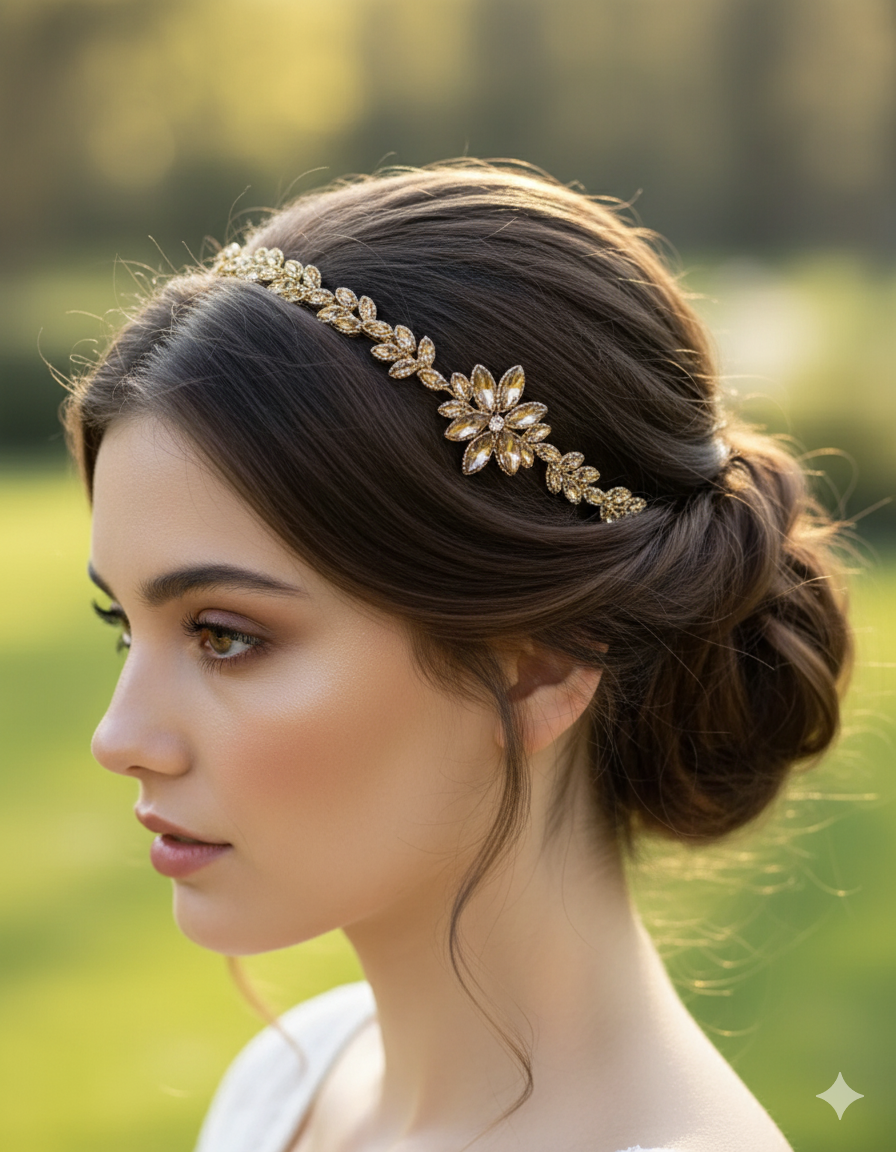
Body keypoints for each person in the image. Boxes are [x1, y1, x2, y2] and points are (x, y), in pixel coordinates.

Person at [63, 161, 851, 1152]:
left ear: (541, 663)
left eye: (226, 637)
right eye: (124, 627)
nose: (119, 737)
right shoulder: (292, 1085)